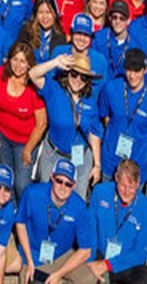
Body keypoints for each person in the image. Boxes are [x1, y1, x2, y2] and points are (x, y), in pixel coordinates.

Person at [28, 52, 103, 199]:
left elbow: (94, 133)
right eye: (74, 74)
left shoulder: (90, 101)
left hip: (80, 159)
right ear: (68, 73)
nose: (78, 80)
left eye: (83, 77)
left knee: (77, 199)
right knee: (48, 196)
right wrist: (55, 62)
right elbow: (32, 74)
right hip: (54, 155)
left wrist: (97, 165)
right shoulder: (54, 90)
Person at [14, 159, 94, 283]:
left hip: (61, 254)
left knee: (89, 279)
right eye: (59, 181)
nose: (63, 187)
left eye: (68, 184)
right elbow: (20, 223)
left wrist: (59, 273)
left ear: (74, 184)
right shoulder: (32, 193)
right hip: (32, 253)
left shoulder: (79, 207)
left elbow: (86, 250)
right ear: (52, 177)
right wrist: (29, 260)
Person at [84, 160, 147, 284]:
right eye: (123, 185)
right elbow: (90, 229)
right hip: (99, 253)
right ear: (116, 178)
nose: (126, 191)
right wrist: (90, 261)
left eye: (131, 187)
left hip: (127, 262)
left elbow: (141, 253)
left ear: (139, 184)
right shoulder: (100, 192)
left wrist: (108, 265)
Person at [97, 48, 147, 183]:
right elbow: (106, 118)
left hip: (137, 167)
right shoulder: (111, 88)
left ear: (145, 70)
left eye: (137, 70)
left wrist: (142, 149)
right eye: (129, 70)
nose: (132, 76)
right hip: (111, 163)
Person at [0, 41, 46, 197]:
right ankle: (10, 209)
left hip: (25, 141)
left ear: (29, 64)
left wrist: (29, 149)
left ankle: (23, 212)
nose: (18, 65)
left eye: (22, 61)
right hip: (3, 136)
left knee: (21, 184)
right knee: (6, 178)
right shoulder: (2, 74)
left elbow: (41, 123)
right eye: (14, 59)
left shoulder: (34, 86)